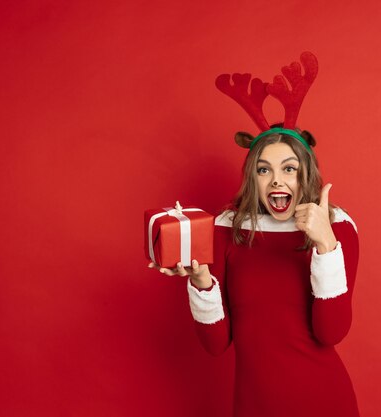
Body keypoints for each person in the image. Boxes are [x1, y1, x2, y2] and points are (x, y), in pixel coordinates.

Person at [149, 53, 360, 417]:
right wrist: (201, 282)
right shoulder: (227, 231)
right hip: (255, 405)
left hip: (326, 401)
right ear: (253, 177)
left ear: (304, 175)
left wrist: (325, 246)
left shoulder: (337, 228)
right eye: (264, 169)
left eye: (289, 168)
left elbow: (331, 332)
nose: (277, 179)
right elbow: (216, 345)